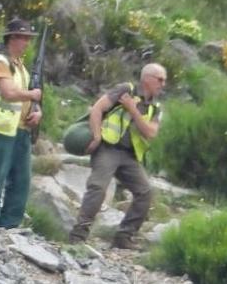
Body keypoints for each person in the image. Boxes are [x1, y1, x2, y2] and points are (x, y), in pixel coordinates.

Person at [67, 63, 166, 249]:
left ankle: (124, 237)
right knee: (97, 187)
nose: (163, 84)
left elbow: (151, 133)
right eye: (160, 79)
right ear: (147, 78)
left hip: (130, 155)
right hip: (108, 148)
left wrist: (132, 109)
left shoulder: (156, 107)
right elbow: (97, 109)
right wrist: (96, 136)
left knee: (145, 192)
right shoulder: (125, 89)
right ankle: (78, 235)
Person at [0, 18, 42, 229]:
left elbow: (22, 95)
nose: (27, 43)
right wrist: (32, 95)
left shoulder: (18, 65)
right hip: (1, 126)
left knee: (21, 179)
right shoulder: (0, 61)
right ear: (12, 38)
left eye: (28, 39)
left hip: (21, 128)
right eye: (23, 38)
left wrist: (36, 111)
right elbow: (9, 92)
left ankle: (10, 223)